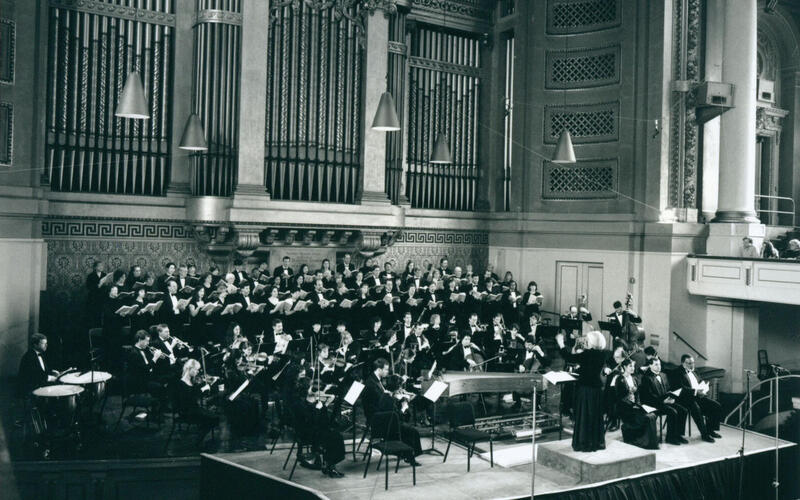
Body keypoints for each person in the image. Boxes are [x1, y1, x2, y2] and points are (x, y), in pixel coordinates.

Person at [556, 330, 608, 452]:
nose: (586, 342)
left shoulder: (588, 354)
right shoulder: (602, 354)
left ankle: (584, 442)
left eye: (588, 340)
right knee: (594, 416)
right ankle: (595, 442)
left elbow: (569, 357)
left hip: (585, 390)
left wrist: (561, 343)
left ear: (593, 342)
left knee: (584, 415)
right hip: (596, 390)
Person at [612, 359, 659, 449]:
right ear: (624, 367)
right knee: (647, 417)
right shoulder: (619, 379)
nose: (633, 368)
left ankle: (650, 442)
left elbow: (637, 395)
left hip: (634, 406)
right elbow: (618, 397)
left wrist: (638, 404)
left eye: (633, 366)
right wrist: (629, 392)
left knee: (652, 415)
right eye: (630, 366)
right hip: (624, 407)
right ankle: (642, 441)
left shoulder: (634, 379)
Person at [640, 358, 688, 445]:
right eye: (656, 365)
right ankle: (670, 437)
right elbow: (649, 396)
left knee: (683, 410)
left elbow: (668, 389)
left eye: (660, 364)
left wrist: (671, 397)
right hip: (654, 404)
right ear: (650, 365)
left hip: (665, 400)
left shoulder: (663, 375)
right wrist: (663, 401)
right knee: (672, 412)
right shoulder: (646, 378)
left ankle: (678, 435)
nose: (659, 367)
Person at [676, 354, 723, 443]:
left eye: (693, 363)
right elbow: (681, 388)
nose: (692, 365)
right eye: (689, 363)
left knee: (716, 406)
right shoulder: (678, 372)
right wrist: (695, 392)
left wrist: (703, 389)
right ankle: (704, 434)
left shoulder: (695, 371)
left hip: (698, 396)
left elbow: (700, 381)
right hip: (685, 398)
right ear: (683, 363)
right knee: (696, 409)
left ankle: (710, 430)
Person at [174, 359, 220, 446]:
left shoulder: (191, 381)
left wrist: (207, 386)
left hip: (194, 409)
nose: (198, 372)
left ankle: (199, 438)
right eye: (196, 369)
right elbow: (188, 400)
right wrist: (202, 389)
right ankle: (198, 441)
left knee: (215, 417)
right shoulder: (181, 384)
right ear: (190, 369)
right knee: (212, 419)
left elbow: (195, 393)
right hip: (186, 412)